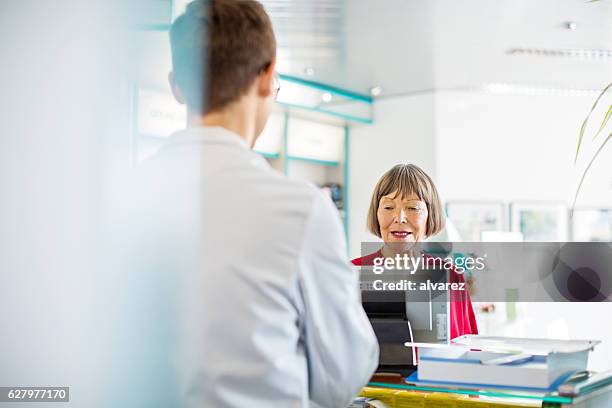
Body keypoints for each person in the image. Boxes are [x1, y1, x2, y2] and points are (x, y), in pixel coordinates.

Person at [160, 1, 378, 407]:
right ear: (267, 76)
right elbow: (342, 378)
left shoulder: (115, 196)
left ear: (176, 86)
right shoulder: (301, 210)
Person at [352, 164, 478, 339]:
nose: (400, 218)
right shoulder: (350, 273)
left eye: (412, 208)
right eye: (388, 207)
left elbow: (467, 348)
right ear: (376, 214)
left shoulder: (451, 275)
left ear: (430, 215)